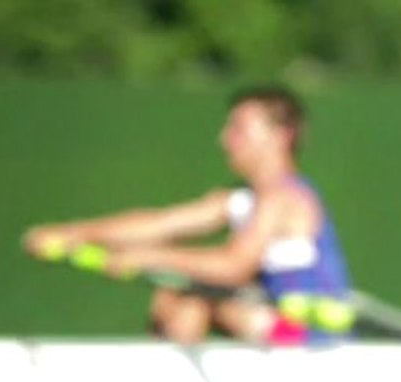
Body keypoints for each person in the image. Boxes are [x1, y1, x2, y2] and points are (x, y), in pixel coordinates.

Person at [24, 85, 353, 346]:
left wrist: (148, 258)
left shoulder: (283, 197)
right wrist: (72, 234)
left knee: (188, 291)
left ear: (281, 137)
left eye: (238, 129)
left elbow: (232, 266)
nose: (225, 140)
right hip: (274, 327)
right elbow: (158, 223)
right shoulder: (240, 199)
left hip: (311, 338)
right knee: (178, 291)